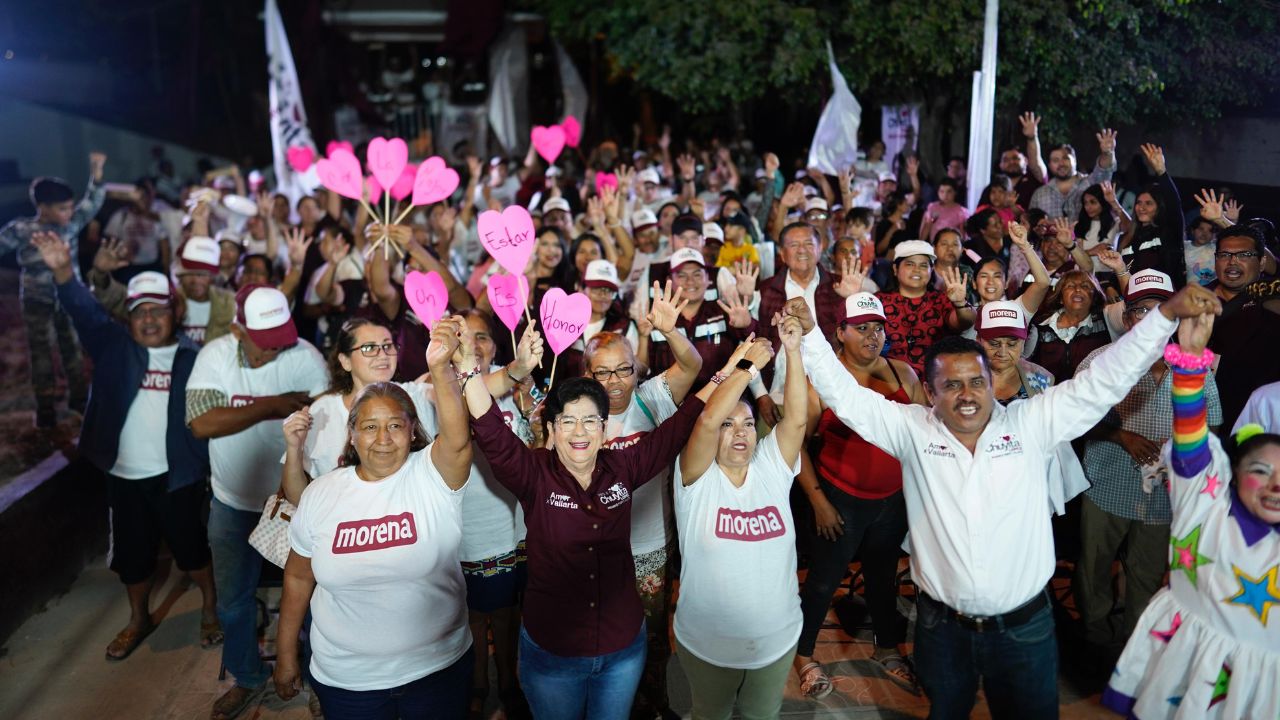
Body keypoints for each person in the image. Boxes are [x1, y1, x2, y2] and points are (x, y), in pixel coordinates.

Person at [782, 279, 1223, 719]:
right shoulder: (910, 429)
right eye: (951, 385)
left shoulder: (1031, 424)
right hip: (941, 628)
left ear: (991, 384)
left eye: (976, 381)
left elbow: (1102, 383)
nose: (967, 394)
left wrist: (1164, 318)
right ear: (930, 395)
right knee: (947, 711)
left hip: (1024, 628)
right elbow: (846, 396)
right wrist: (812, 335)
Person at [458, 328, 710, 720]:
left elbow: (681, 425)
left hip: (621, 649)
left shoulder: (624, 467)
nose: (580, 432)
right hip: (553, 654)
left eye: (591, 421)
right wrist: (466, 369)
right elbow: (490, 428)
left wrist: (738, 369)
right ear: (554, 428)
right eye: (569, 421)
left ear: (604, 429)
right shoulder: (533, 474)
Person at [273, 319, 475, 717]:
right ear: (352, 435)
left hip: (436, 672)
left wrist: (441, 369)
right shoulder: (322, 494)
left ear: (412, 430)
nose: (383, 439)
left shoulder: (433, 476)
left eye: (395, 426)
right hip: (348, 682)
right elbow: (298, 576)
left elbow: (456, 437)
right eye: (370, 427)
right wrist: (285, 655)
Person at [33, 232, 219, 661]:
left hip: (178, 479)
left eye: (159, 309)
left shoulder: (196, 358)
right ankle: (140, 618)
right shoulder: (113, 346)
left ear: (175, 313)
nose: (150, 319)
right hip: (124, 479)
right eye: (140, 311)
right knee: (133, 559)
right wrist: (63, 270)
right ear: (128, 318)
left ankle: (210, 606)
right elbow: (82, 309)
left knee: (192, 550)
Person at [1102, 312, 1279, 719]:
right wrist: (1191, 358)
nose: (1275, 486)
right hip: (1182, 672)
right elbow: (1192, 441)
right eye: (1260, 471)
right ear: (1233, 474)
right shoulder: (1205, 504)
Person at [186, 284, 329, 720]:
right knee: (233, 602)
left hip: (297, 503)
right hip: (234, 502)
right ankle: (247, 678)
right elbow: (202, 422)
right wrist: (273, 405)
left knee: (312, 600)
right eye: (263, 344)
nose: (274, 352)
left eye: (279, 341)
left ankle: (316, 679)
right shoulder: (214, 355)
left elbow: (327, 420)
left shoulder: (305, 356)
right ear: (237, 329)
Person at [1074, 269, 1223, 658]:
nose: (1151, 317)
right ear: (1128, 319)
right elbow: (1073, 421)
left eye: (1161, 308)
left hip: (1164, 494)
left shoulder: (1194, 366)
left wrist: (1180, 444)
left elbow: (1214, 426)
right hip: (1106, 484)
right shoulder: (1099, 360)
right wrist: (1123, 436)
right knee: (1094, 567)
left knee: (1147, 572)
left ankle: (1134, 649)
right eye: (1141, 309)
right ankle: (1094, 637)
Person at [793, 293, 926, 699]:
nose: (872, 335)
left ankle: (887, 647)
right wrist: (819, 502)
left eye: (878, 326)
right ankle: (804, 654)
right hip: (840, 498)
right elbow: (795, 443)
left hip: (891, 499)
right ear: (840, 332)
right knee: (822, 583)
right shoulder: (823, 380)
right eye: (861, 327)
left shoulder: (904, 373)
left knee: (883, 578)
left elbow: (923, 435)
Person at [583, 281, 703, 720]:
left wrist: (672, 333)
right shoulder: (577, 417)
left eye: (624, 370)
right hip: (594, 551)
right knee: (601, 637)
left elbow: (692, 363)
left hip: (651, 546)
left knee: (652, 636)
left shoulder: (654, 399)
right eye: (603, 373)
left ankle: (653, 703)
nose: (615, 383)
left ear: (637, 371)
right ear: (587, 376)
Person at [671, 327, 801, 719]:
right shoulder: (694, 477)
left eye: (747, 423)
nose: (739, 432)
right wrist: (747, 367)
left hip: (776, 641)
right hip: (708, 645)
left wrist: (793, 351)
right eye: (730, 425)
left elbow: (794, 422)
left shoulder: (771, 469)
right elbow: (707, 419)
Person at [0, 152, 106, 427]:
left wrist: (96, 172)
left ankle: (80, 399)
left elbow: (92, 204)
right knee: (41, 352)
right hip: (38, 299)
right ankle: (45, 407)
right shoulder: (22, 230)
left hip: (68, 299)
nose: (69, 213)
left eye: (70, 207)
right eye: (62, 208)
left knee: (72, 348)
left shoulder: (70, 224)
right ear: (43, 207)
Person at [875, 239, 974, 375]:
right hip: (888, 378)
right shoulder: (879, 300)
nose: (917, 270)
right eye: (910, 264)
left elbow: (964, 322)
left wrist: (959, 304)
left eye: (923, 265)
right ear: (895, 269)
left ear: (931, 270)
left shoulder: (941, 299)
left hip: (936, 376)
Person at [1115, 144, 1187, 286]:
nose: (1141, 207)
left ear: (1160, 207)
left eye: (1148, 203)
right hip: (1130, 301)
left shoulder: (1168, 232)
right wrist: (1110, 286)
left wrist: (1161, 171)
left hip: (1163, 301)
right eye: (1139, 202)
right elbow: (1119, 270)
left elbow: (1174, 205)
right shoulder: (1127, 237)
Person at [1030, 269, 1112, 381]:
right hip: (1050, 396)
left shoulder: (1106, 321)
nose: (1078, 289)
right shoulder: (1040, 327)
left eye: (1085, 286)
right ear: (1060, 298)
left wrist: (1121, 270)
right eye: (1070, 286)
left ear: (1094, 297)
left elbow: (1133, 306)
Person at [1028, 128, 1118, 220]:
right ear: (1049, 165)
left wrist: (1107, 153)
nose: (1061, 164)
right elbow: (1031, 224)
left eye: (1065, 158)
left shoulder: (1091, 182)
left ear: (1074, 160)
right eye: (1055, 160)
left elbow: (1103, 170)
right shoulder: (1039, 194)